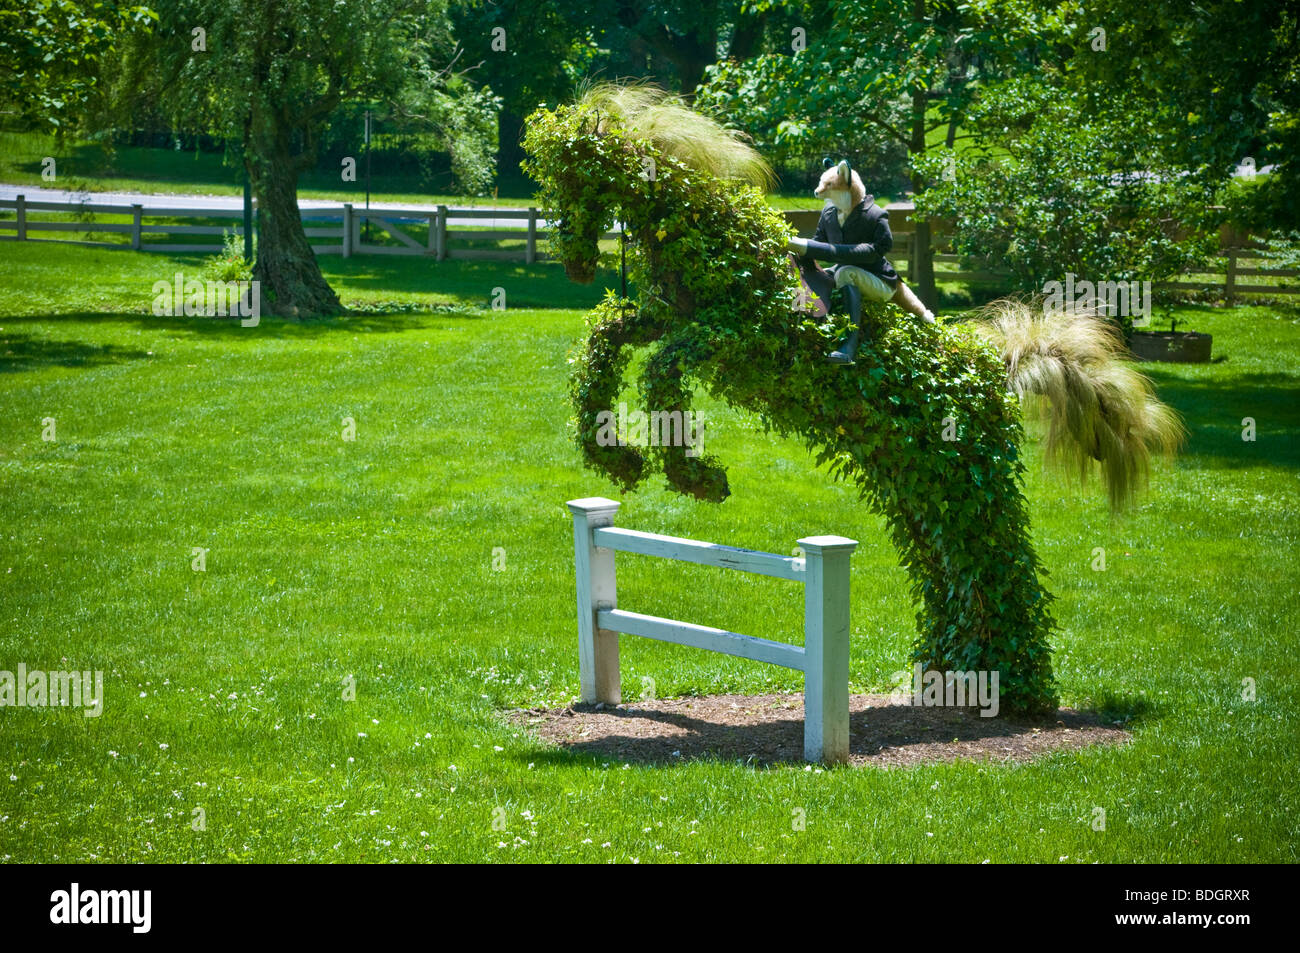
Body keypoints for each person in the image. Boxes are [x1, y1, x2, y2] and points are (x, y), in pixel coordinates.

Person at [789, 159, 935, 364]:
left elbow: (877, 249)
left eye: (828, 186)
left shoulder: (875, 215)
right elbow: (818, 243)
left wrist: (816, 248)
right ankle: (804, 325)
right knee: (822, 273)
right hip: (844, 271)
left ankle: (848, 347)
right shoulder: (829, 213)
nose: (820, 190)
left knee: (844, 272)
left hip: (879, 280)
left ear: (847, 184)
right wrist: (799, 251)